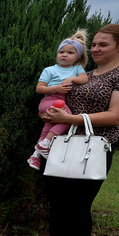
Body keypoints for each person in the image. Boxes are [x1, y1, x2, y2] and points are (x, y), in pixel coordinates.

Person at [36, 24, 119, 236]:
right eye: (94, 44)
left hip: (93, 148)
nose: (95, 48)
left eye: (103, 44)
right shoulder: (86, 74)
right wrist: (51, 114)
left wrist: (69, 119)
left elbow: (116, 116)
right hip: (61, 145)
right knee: (58, 203)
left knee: (79, 205)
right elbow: (64, 105)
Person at [27, 31, 89, 169]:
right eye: (61, 51)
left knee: (48, 127)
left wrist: (72, 78)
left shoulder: (76, 69)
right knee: (67, 118)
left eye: (70, 53)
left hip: (62, 102)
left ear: (78, 57)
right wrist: (57, 88)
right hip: (50, 99)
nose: (65, 55)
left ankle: (35, 156)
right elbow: (39, 88)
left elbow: (84, 79)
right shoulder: (49, 70)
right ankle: (45, 144)